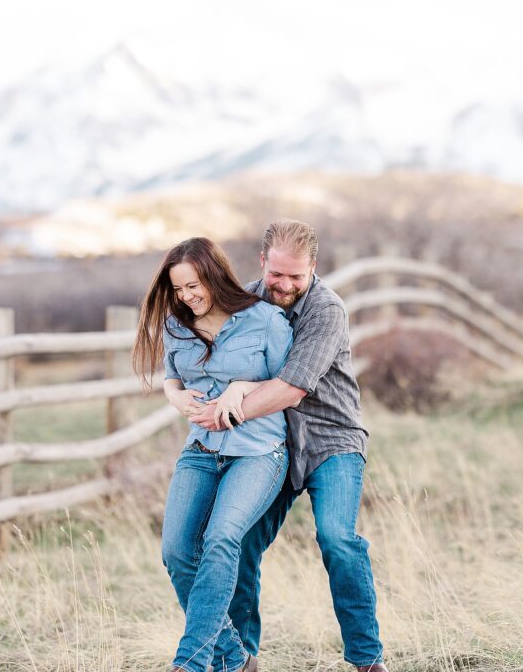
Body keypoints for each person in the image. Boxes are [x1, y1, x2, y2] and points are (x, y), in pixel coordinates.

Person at [189, 220, 389, 672]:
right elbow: (219, 361)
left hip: (330, 440)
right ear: (263, 262)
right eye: (277, 274)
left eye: (295, 276)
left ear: (313, 268)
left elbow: (293, 388)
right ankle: (242, 659)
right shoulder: (244, 303)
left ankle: (366, 659)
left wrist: (230, 410)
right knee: (236, 543)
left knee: (337, 538)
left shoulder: (327, 309)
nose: (284, 285)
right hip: (272, 441)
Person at [132, 237, 293, 672]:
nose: (186, 296)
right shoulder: (175, 326)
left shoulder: (265, 321)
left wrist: (243, 388)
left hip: (259, 452)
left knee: (222, 540)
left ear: (214, 275)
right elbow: (171, 378)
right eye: (178, 289)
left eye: (193, 285)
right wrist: (176, 399)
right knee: (177, 553)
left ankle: (190, 664)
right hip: (201, 450)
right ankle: (237, 660)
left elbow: (290, 389)